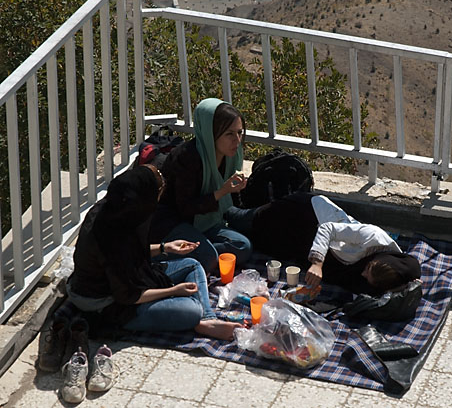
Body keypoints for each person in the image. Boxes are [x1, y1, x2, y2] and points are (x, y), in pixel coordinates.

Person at [66, 165, 243, 341]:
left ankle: (207, 320)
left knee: (192, 265)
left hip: (129, 281)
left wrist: (165, 247)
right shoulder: (110, 234)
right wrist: (172, 290)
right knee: (192, 310)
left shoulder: (119, 210)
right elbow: (128, 295)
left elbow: (131, 253)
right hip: (107, 303)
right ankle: (201, 318)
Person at [149, 98, 254, 274]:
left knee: (243, 246)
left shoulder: (231, 155)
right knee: (208, 258)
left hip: (207, 220)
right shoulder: (187, 157)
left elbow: (233, 202)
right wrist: (222, 192)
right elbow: (185, 208)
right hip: (173, 222)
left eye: (239, 133)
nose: (237, 140)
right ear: (210, 133)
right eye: (229, 134)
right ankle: (154, 255)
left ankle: (197, 249)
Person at [247, 192, 421, 295]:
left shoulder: (393, 276)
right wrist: (317, 264)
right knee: (250, 222)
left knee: (266, 246)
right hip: (305, 215)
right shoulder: (374, 237)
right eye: (367, 269)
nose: (362, 274)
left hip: (305, 242)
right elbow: (328, 228)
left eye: (368, 277)